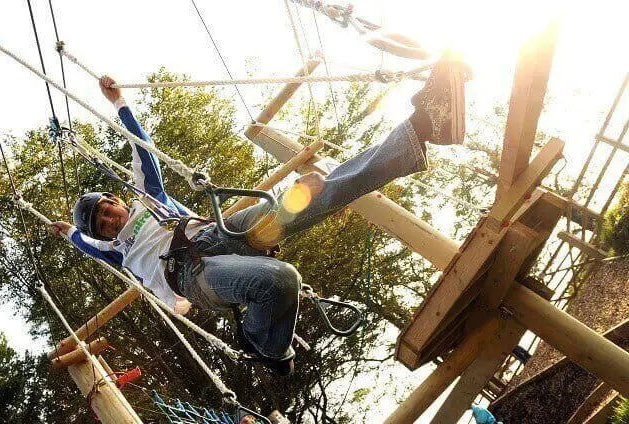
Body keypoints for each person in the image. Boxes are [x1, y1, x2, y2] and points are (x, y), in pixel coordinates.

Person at [51, 53, 468, 375]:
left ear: (117, 200)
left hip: (217, 232)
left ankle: (425, 125)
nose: (110, 220)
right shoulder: (117, 251)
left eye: (108, 209)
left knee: (310, 192)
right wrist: (67, 230)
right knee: (281, 279)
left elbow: (141, 147)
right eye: (103, 224)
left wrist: (119, 102)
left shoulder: (146, 196)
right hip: (191, 275)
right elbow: (81, 241)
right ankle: (266, 346)